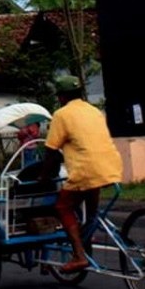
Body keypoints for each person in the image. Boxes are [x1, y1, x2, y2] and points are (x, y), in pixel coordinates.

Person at [40, 75, 122, 273]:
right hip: (110, 167)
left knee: (62, 206)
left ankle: (79, 255)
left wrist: (42, 177)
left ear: (61, 97)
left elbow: (51, 153)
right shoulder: (94, 111)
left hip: (86, 170)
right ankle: (87, 233)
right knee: (91, 211)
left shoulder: (62, 115)